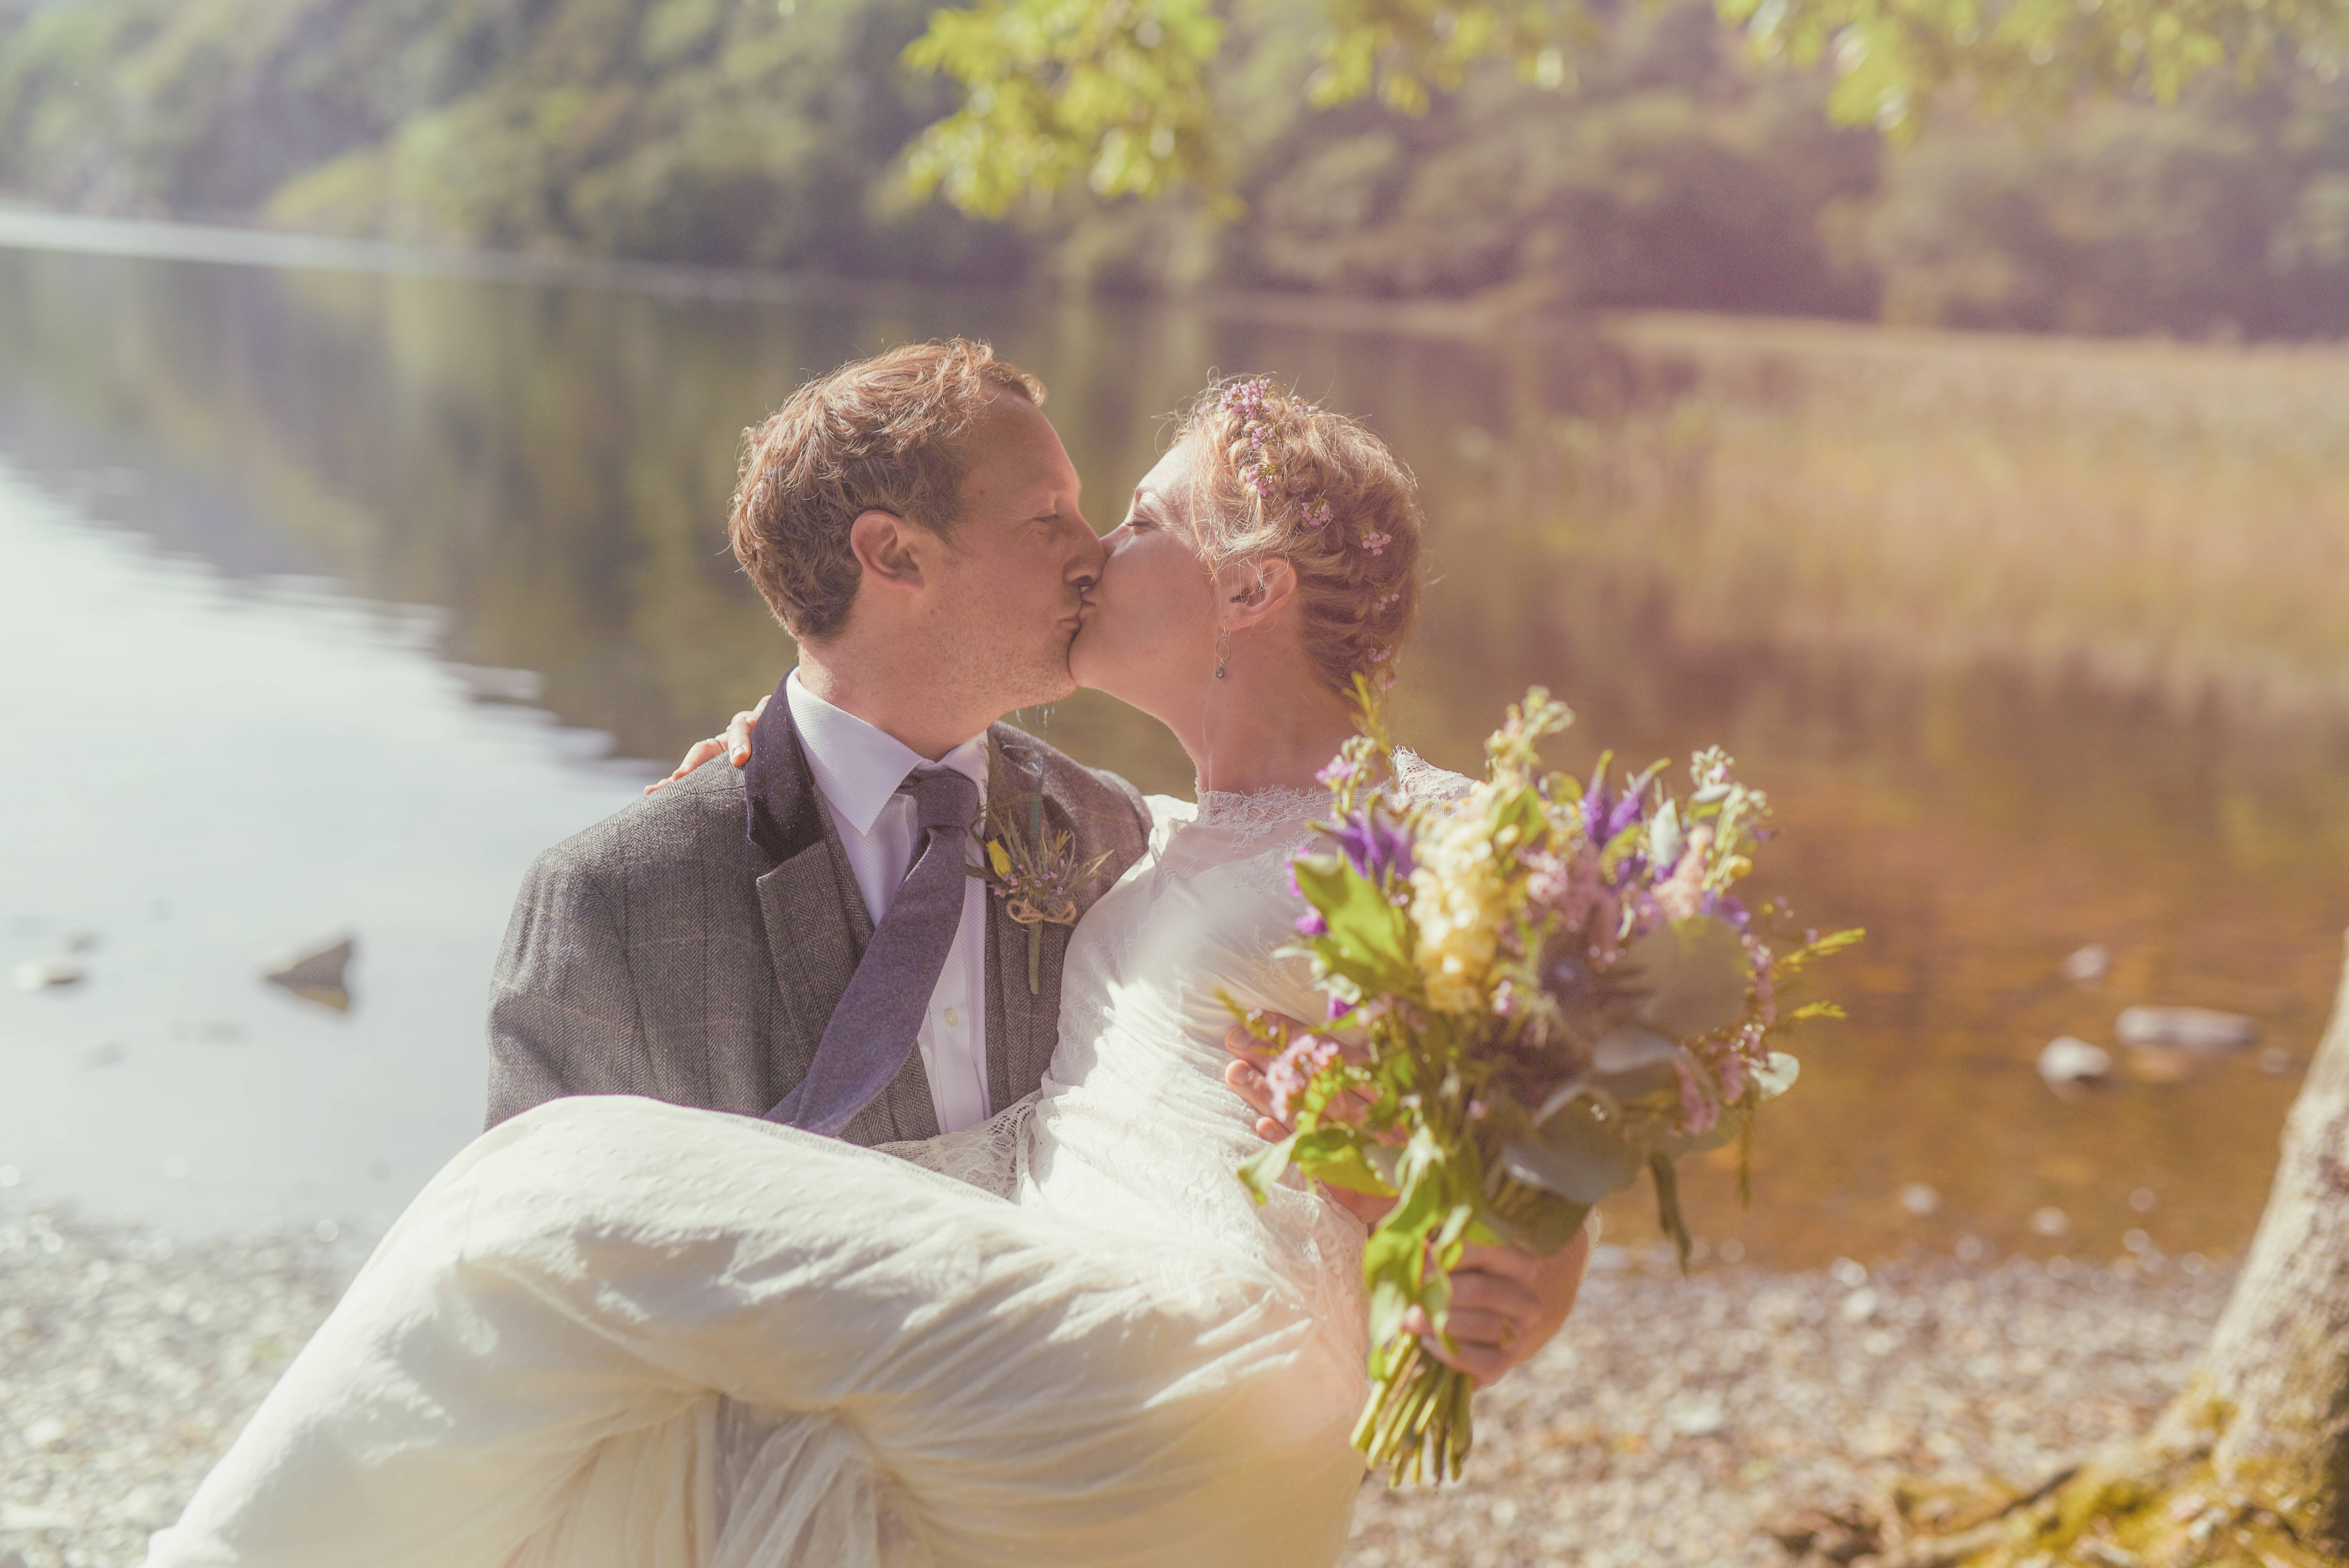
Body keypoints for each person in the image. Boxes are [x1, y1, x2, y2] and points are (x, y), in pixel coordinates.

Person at [144, 355, 1591, 1568]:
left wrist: (1514, 1247)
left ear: (1254, 589)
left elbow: (1522, 1123)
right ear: (894, 558)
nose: (1094, 551)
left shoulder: (1227, 843)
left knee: (552, 1194)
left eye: (1127, 517)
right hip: (919, 1483)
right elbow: (530, 1407)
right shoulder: (651, 891)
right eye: (1060, 520)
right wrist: (759, 779)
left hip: (1166, 1378)